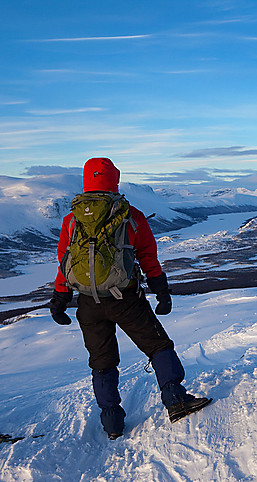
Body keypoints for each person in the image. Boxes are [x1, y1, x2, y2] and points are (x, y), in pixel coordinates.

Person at [49, 157, 210, 438]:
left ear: (87, 180)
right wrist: (162, 292)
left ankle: (112, 423)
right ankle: (176, 400)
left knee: (102, 361)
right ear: (115, 180)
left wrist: (60, 299)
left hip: (87, 303)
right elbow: (148, 258)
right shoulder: (130, 215)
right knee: (158, 345)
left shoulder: (71, 221)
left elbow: (65, 262)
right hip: (125, 299)